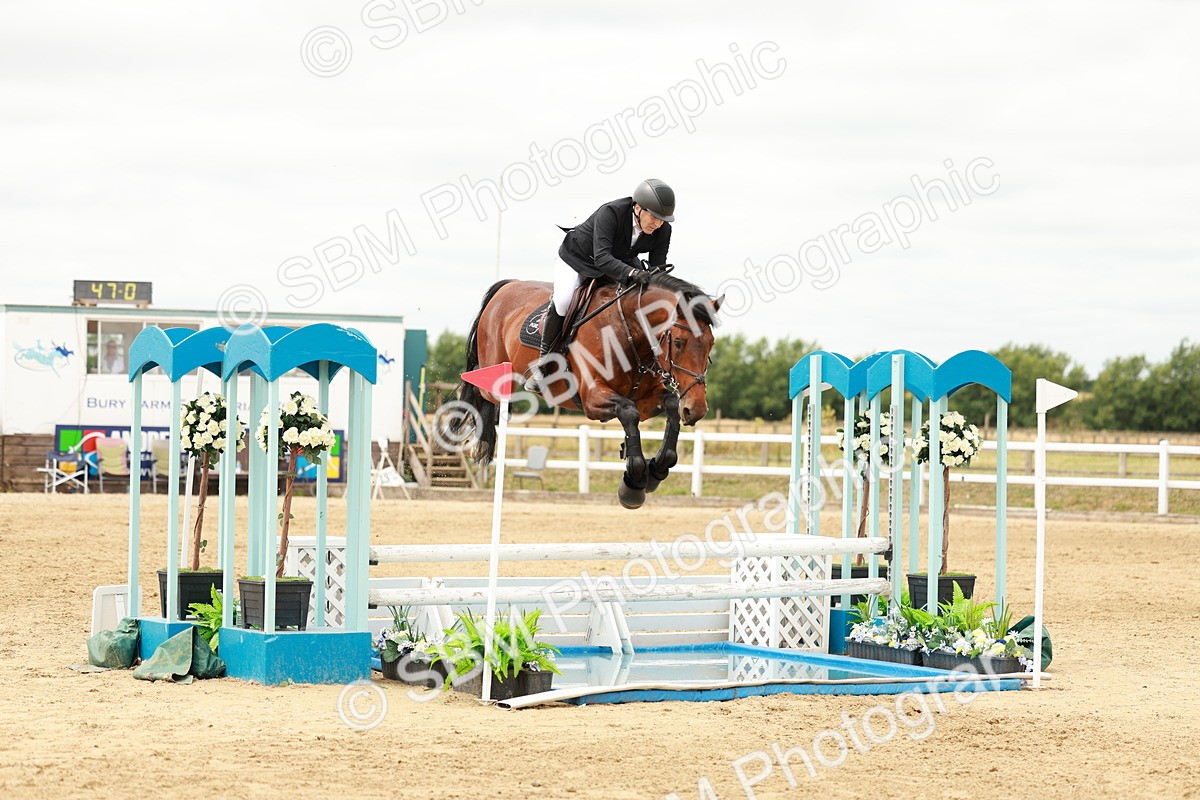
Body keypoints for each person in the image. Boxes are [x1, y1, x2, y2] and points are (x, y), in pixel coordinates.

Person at [524, 178, 675, 391]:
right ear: (638, 207)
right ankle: (544, 364)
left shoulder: (663, 230)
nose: (658, 224)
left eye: (663, 219)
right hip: (578, 259)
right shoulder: (611, 213)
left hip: (618, 262)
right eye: (654, 217)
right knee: (563, 300)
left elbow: (657, 267)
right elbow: (602, 258)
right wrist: (632, 272)